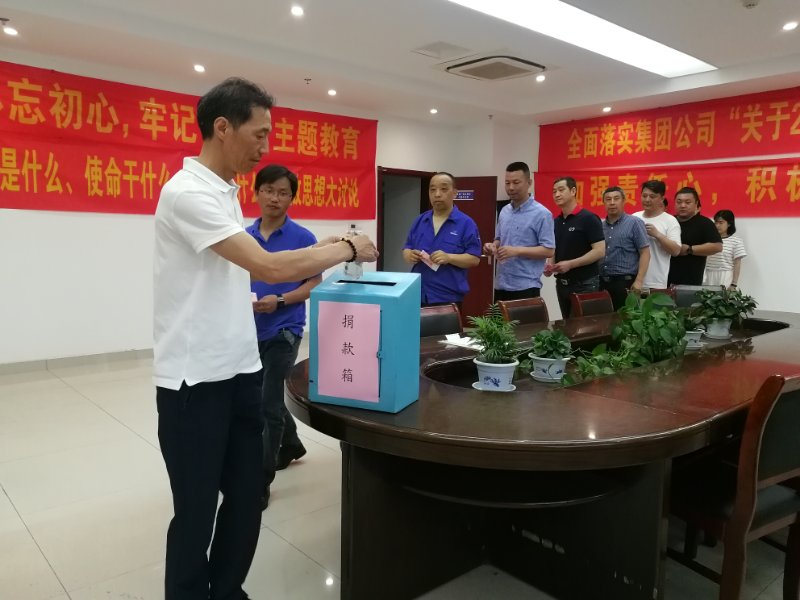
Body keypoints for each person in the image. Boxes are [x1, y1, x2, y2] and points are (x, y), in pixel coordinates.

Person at [153, 77, 378, 600]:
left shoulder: (225, 193)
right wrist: (347, 247)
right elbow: (268, 267)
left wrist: (325, 245)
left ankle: (228, 590)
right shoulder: (186, 193)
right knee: (196, 509)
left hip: (240, 370)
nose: (265, 146)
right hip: (194, 381)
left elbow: (267, 261)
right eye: (259, 134)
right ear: (222, 127)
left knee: (247, 494)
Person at [246, 164, 320, 511]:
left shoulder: (303, 238)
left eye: (282, 192)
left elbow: (313, 283)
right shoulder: (244, 237)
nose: (274, 198)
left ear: (292, 198)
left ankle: (258, 482)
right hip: (249, 330)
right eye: (268, 190)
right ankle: (290, 444)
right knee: (267, 397)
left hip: (285, 329)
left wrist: (280, 300)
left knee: (266, 405)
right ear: (256, 192)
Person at [402, 172, 481, 306]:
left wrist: (449, 258)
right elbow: (407, 248)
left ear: (454, 193)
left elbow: (474, 259)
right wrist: (409, 255)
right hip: (418, 295)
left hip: (447, 298)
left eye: (444, 189)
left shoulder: (466, 223)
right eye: (433, 189)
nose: (437, 194)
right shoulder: (420, 221)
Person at [483, 161, 555, 300]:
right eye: (507, 183)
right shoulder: (504, 211)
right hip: (501, 284)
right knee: (497, 316)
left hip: (526, 286)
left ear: (529, 183)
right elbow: (499, 239)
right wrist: (492, 246)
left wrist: (517, 251)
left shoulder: (542, 214)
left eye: (516, 182)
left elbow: (549, 250)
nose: (511, 187)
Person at [544, 176, 605, 319]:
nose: (557, 194)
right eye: (554, 191)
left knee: (582, 326)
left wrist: (570, 264)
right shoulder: (556, 222)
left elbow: (599, 251)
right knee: (567, 324)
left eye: (561, 190)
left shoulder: (589, 218)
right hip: (562, 284)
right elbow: (554, 248)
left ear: (573, 191)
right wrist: (550, 265)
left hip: (585, 283)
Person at [599, 186, 650, 310]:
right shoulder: (600, 226)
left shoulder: (634, 223)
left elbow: (645, 252)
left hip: (625, 283)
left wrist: (639, 281)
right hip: (602, 282)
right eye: (608, 199)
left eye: (616, 198)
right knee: (603, 319)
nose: (612, 202)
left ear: (623, 201)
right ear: (603, 203)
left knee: (625, 319)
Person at [667, 187, 722, 286]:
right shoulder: (668, 221)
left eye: (687, 202)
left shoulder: (704, 223)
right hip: (663, 280)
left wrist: (689, 249)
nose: (683, 205)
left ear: (696, 204)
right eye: (679, 202)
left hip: (691, 281)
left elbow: (717, 247)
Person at [633, 180, 682, 290]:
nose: (647, 200)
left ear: (662, 198)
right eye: (644, 196)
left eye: (652, 196)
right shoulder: (634, 218)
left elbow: (676, 251)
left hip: (655, 282)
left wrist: (658, 235)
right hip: (632, 279)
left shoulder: (670, 220)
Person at [704, 209, 747, 289]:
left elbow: (737, 263)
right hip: (709, 274)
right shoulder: (708, 240)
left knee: (723, 296)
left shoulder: (736, 241)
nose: (717, 225)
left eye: (721, 223)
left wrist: (734, 284)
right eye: (716, 222)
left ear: (729, 224)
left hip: (725, 275)